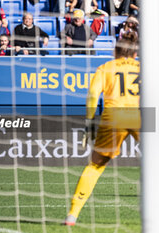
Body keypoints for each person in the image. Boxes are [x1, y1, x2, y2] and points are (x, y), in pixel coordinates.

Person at [64, 31, 140, 226]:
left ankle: (72, 215)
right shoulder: (144, 68)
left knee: (95, 166)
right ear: (135, 53)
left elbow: (92, 96)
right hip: (142, 114)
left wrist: (89, 124)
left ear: (115, 51)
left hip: (114, 114)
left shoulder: (106, 67)